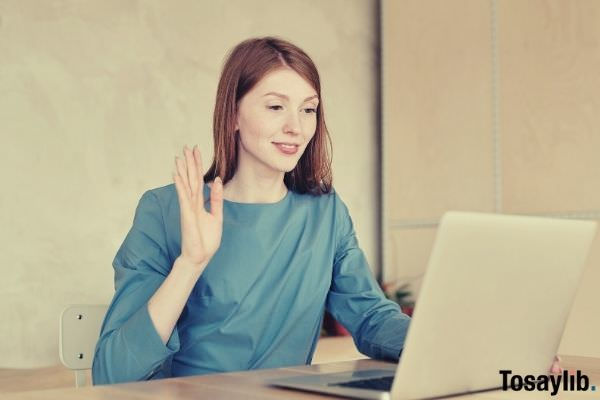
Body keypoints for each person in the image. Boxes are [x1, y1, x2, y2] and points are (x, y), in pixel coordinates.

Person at [91, 36, 410, 385]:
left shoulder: (326, 213)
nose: (296, 127)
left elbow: (372, 318)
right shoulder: (165, 210)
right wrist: (191, 263)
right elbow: (113, 372)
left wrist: (442, 341)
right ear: (233, 116)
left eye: (308, 109)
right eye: (276, 107)